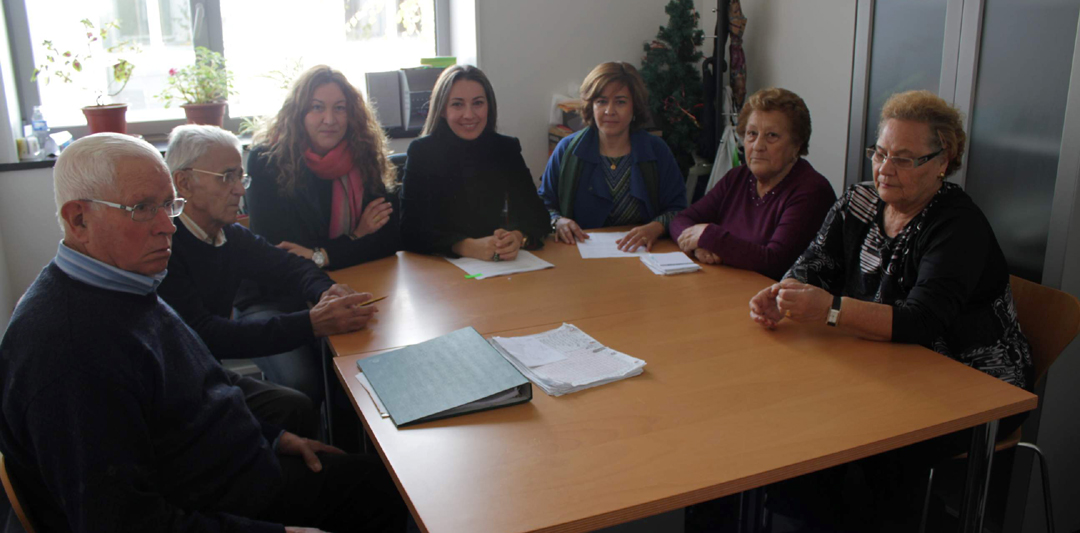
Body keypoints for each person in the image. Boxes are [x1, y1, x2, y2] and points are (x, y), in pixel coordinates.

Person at [0, 133, 406, 532]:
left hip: (236, 470)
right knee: (392, 492)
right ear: (79, 219)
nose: (168, 226)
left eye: (166, 206)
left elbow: (196, 384)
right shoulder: (69, 350)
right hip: (222, 504)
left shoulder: (126, 283)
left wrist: (274, 437)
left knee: (389, 481)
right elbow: (124, 521)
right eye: (142, 208)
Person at [748, 90, 1033, 530]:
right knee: (796, 419)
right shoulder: (861, 201)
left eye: (903, 158)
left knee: (862, 444)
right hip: (888, 363)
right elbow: (813, 266)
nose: (883, 168)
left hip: (973, 381)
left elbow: (920, 321)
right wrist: (783, 293)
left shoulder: (957, 225)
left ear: (942, 161)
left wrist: (831, 311)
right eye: (879, 153)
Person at [158, 125, 380, 436]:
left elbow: (290, 266)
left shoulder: (230, 235)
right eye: (226, 177)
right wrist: (311, 323)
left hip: (206, 374)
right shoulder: (164, 246)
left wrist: (327, 290)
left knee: (298, 404)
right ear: (184, 182)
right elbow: (207, 334)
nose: (240, 189)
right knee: (298, 400)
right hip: (177, 391)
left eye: (240, 176)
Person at [669, 88, 835, 279]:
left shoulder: (812, 191)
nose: (758, 145)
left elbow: (775, 262)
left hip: (775, 302)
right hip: (728, 287)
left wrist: (710, 237)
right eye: (752, 134)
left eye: (772, 135)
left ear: (796, 146)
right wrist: (699, 246)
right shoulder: (737, 177)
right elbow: (681, 220)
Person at [247, 65, 398, 271]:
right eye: (317, 107)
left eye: (339, 108)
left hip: (358, 278)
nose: (329, 120)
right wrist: (357, 236)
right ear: (299, 113)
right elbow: (284, 252)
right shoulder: (267, 161)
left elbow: (387, 240)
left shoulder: (363, 154)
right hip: (291, 292)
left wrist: (320, 255)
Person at [399, 65, 549, 260]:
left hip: (496, 268)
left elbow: (539, 216)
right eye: (457, 104)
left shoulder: (505, 149)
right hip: (439, 272)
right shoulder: (422, 152)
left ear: (489, 106)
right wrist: (465, 246)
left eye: (478, 103)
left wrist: (518, 237)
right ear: (443, 109)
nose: (469, 115)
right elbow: (409, 232)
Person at [538, 61, 687, 252]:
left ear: (635, 107)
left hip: (644, 254)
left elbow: (679, 209)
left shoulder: (657, 150)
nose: (609, 111)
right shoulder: (567, 149)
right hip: (578, 256)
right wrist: (557, 221)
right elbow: (543, 204)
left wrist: (656, 227)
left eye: (620, 102)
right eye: (601, 101)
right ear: (591, 106)